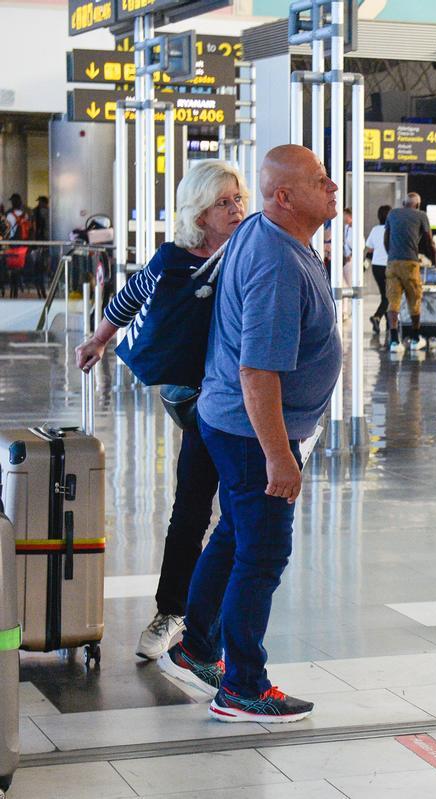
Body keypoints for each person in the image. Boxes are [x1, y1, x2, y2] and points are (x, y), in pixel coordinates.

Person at [158, 144, 341, 724]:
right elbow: (257, 370)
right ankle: (242, 685)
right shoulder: (276, 262)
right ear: (285, 196)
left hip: (231, 421)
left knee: (235, 535)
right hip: (250, 430)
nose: (333, 185)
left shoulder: (270, 233)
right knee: (262, 552)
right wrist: (278, 456)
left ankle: (198, 643)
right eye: (319, 179)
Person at [74, 161, 248, 660]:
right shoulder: (174, 259)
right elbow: (130, 296)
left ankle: (210, 622)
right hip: (198, 404)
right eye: (223, 201)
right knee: (192, 508)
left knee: (237, 514)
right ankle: (173, 613)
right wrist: (99, 339)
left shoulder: (246, 253)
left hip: (243, 402)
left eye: (238, 198)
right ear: (199, 210)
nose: (236, 208)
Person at [384, 193, 434, 352]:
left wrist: (391, 255)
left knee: (393, 302)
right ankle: (415, 338)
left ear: (404, 203)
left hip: (392, 262)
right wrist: (435, 261)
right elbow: (428, 240)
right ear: (418, 205)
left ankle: (393, 341)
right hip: (410, 263)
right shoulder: (421, 215)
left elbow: (386, 238)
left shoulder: (392, 214)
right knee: (415, 300)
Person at [364, 204, 391, 334]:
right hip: (389, 266)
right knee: (389, 297)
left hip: (376, 267)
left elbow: (370, 249)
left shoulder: (375, 230)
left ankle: (388, 324)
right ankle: (377, 317)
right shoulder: (392, 229)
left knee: (385, 296)